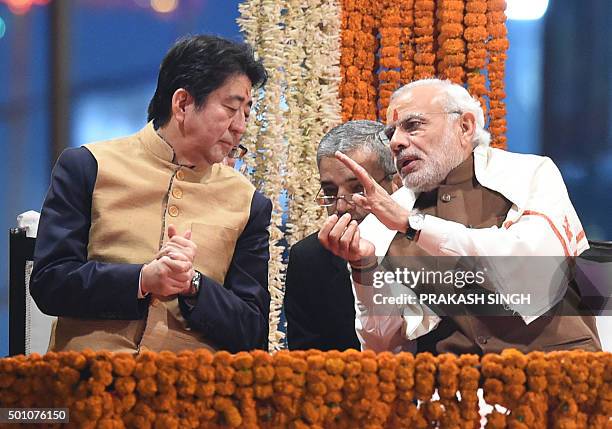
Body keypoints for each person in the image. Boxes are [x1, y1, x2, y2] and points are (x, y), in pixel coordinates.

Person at [319, 78, 601, 355]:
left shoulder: (530, 173)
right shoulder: (381, 225)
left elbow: (537, 271)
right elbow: (385, 348)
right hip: (456, 390)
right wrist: (363, 267)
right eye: (391, 133)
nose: (396, 143)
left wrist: (412, 225)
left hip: (559, 374)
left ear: (465, 127)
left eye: (412, 126)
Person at [30, 35, 272, 354]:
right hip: (88, 384)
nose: (240, 126)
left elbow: (252, 330)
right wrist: (142, 279)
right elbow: (50, 283)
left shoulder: (248, 202)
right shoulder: (89, 166)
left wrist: (192, 285)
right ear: (183, 103)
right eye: (231, 108)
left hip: (191, 392)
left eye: (247, 113)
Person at [284, 120, 396, 351]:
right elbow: (307, 359)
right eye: (330, 192)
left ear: (395, 183)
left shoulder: (424, 240)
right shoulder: (309, 258)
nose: (341, 206)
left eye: (358, 189)